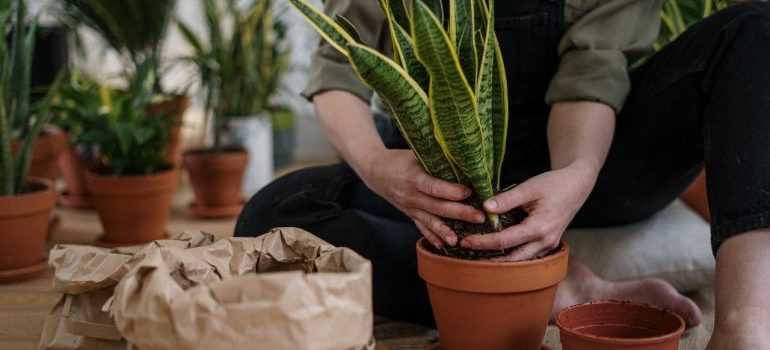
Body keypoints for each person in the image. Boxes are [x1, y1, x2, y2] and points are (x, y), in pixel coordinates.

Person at [236, 1, 770, 348]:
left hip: (594, 162)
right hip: (447, 177)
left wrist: (577, 175)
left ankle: (746, 326)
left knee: (753, 30)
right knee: (274, 214)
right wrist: (379, 168)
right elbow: (339, 71)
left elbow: (592, 75)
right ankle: (557, 289)